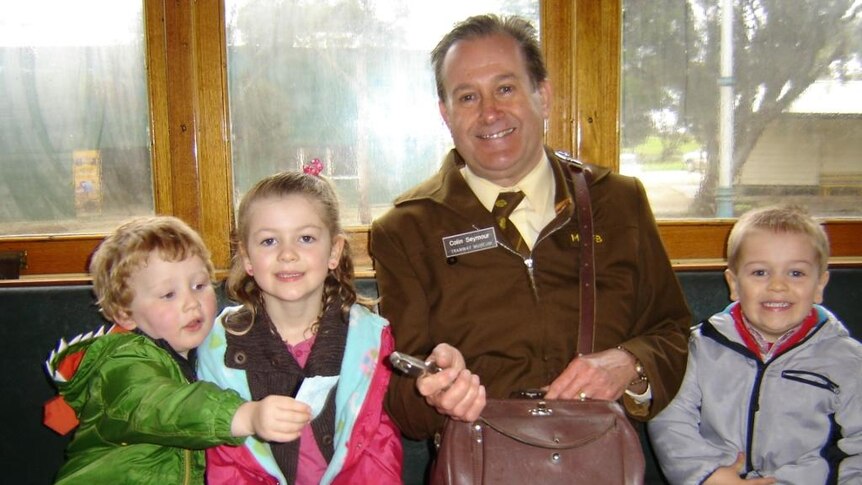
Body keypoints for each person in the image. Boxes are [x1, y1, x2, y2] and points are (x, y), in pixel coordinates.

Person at [370, 13, 690, 442]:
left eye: (505, 88)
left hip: (597, 459)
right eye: (467, 97)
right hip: (481, 460)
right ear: (445, 114)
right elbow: (403, 409)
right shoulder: (406, 230)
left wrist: (630, 363)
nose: (490, 113)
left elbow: (671, 334)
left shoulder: (618, 201)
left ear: (543, 95)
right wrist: (435, 393)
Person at [43, 216, 310, 484]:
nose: (191, 303)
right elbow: (163, 405)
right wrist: (244, 416)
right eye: (168, 295)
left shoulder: (201, 352)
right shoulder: (123, 362)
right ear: (125, 313)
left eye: (199, 286)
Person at [197, 168, 403, 485]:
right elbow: (228, 460)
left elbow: (376, 450)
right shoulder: (220, 345)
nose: (288, 254)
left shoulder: (369, 340)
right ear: (247, 257)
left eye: (305, 238)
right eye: (269, 241)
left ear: (334, 251)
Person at [649, 205, 862, 484]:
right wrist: (708, 475)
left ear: (820, 285)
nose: (777, 285)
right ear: (734, 283)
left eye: (796, 273)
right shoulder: (697, 349)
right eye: (760, 272)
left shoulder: (848, 361)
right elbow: (670, 421)